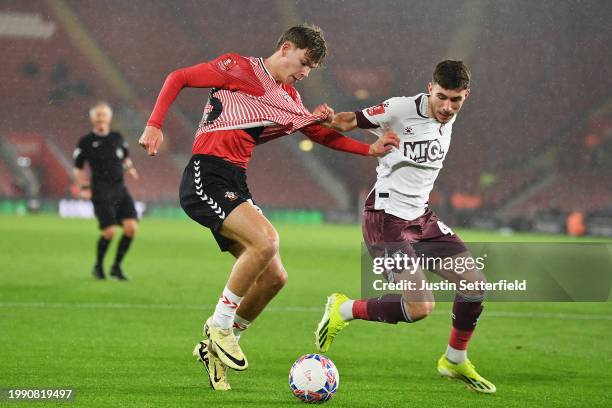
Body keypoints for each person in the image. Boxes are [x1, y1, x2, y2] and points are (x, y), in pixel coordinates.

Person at [138, 24, 399, 390]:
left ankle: (217, 346)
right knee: (267, 241)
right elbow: (178, 77)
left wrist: (367, 149)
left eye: (311, 69)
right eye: (304, 62)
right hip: (206, 174)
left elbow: (318, 133)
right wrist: (154, 124)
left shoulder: (290, 99)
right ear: (286, 48)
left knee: (276, 277)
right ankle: (219, 325)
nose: (305, 72)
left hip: (236, 183)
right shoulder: (236, 67)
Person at [314, 60, 496, 393]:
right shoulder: (399, 109)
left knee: (474, 286)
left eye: (455, 100)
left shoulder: (448, 118)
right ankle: (343, 308)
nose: (447, 107)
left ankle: (454, 360)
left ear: (466, 96)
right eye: (441, 97)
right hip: (384, 220)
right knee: (420, 307)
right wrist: (327, 118)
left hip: (421, 218)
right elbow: (349, 120)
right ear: (430, 88)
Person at [73, 101, 140, 281]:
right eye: (98, 115)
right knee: (109, 231)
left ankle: (116, 267)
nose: (101, 118)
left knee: (131, 228)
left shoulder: (118, 137)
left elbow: (125, 157)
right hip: (100, 190)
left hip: (120, 188)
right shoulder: (86, 142)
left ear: (109, 118)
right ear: (92, 118)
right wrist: (85, 187)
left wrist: (130, 169)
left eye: (104, 114)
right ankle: (98, 266)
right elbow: (78, 168)